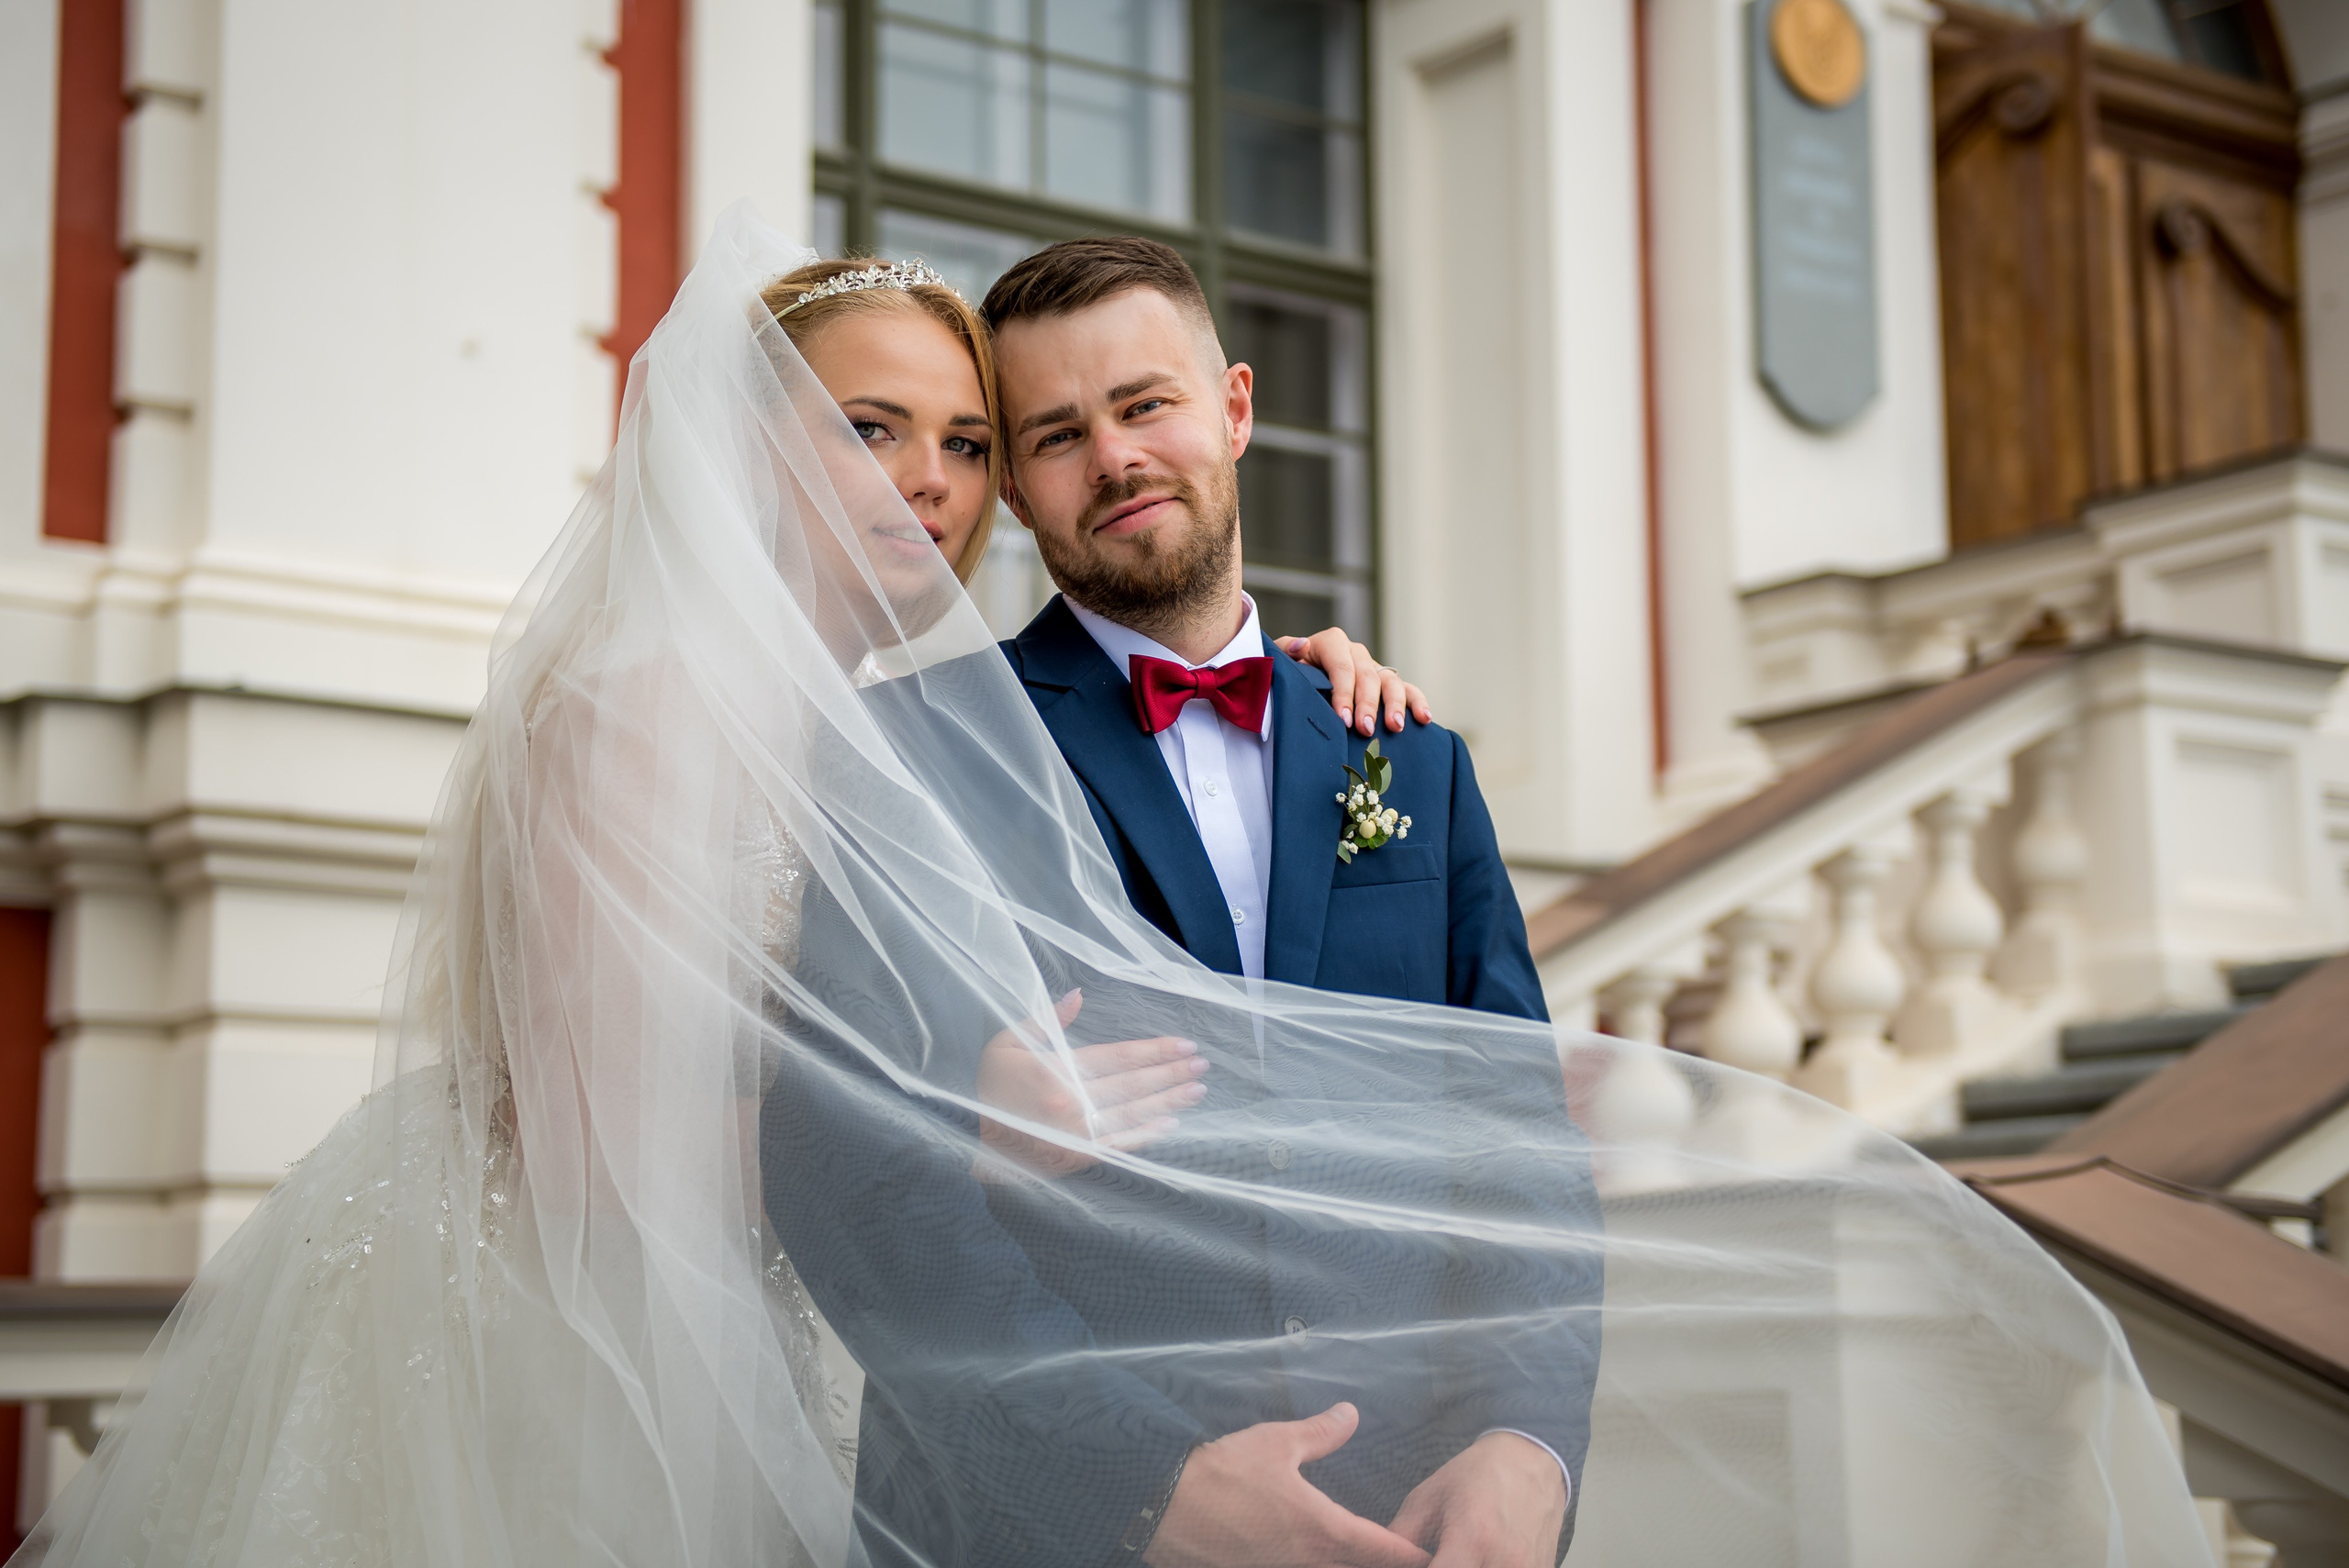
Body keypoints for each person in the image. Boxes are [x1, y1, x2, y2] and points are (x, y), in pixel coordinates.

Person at [13, 208, 2215, 1568]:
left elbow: (1512, 1152)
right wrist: (1121, 1459)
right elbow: (785, 1175)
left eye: (1031, 429)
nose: (1031, 471)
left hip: (1420, 1508)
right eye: (1017, 434)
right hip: (942, 1480)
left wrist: (1525, 1457)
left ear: (1233, 411)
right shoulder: (887, 741)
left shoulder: (1395, 748)